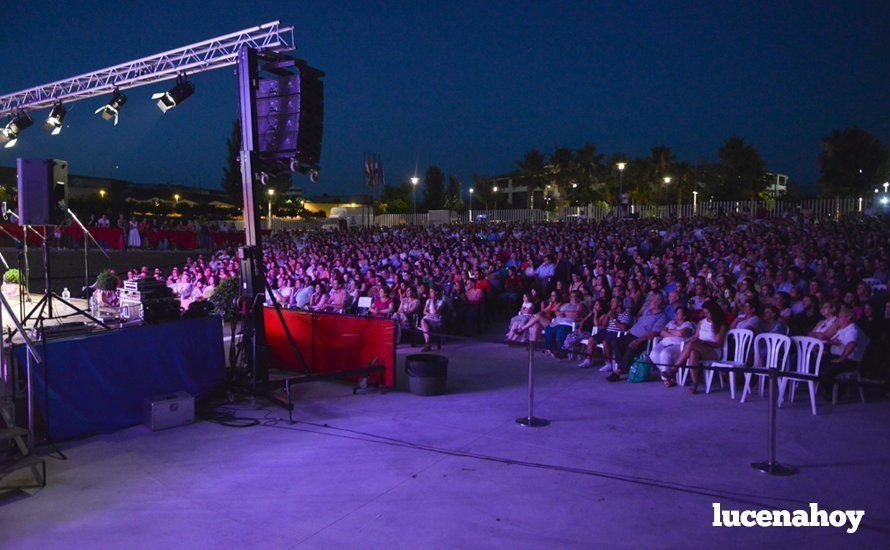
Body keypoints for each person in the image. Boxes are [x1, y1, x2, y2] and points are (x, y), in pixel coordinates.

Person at [606, 294, 669, 381]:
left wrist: (639, 340)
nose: (649, 302)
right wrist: (630, 330)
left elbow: (654, 333)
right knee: (615, 341)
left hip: (642, 339)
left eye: (652, 301)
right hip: (631, 334)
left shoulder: (662, 317)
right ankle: (623, 365)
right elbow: (639, 323)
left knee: (631, 346)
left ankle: (618, 371)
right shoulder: (648, 311)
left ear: (658, 303)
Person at [672, 300, 728, 394]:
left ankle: (674, 369)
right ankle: (695, 383)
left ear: (714, 312)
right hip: (699, 348)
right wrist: (694, 341)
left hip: (713, 351)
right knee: (693, 351)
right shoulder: (702, 322)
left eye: (708, 312)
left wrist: (702, 342)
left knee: (692, 345)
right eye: (704, 312)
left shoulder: (721, 325)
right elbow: (696, 336)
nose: (706, 315)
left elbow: (717, 343)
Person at [822, 307, 869, 397]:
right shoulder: (842, 329)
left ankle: (834, 394)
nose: (838, 320)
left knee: (827, 371)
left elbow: (851, 344)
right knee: (819, 363)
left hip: (849, 361)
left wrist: (841, 359)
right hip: (836, 356)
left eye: (840, 317)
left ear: (848, 318)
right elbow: (837, 341)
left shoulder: (853, 330)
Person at [651, 306, 695, 387]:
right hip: (664, 343)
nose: (676, 314)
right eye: (676, 313)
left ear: (684, 316)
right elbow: (662, 332)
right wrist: (676, 333)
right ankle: (668, 374)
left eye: (679, 313)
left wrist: (670, 331)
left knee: (665, 353)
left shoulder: (688, 324)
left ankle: (666, 379)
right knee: (653, 354)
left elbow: (682, 333)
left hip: (678, 345)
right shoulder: (670, 323)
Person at [419, 287, 444, 352]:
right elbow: (424, 312)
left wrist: (432, 300)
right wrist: (430, 315)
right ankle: (428, 343)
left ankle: (428, 344)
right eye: (430, 292)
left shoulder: (440, 302)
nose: (430, 293)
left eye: (432, 291)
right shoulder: (428, 301)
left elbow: (434, 312)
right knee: (423, 321)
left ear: (436, 292)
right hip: (428, 319)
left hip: (436, 321)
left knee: (423, 321)